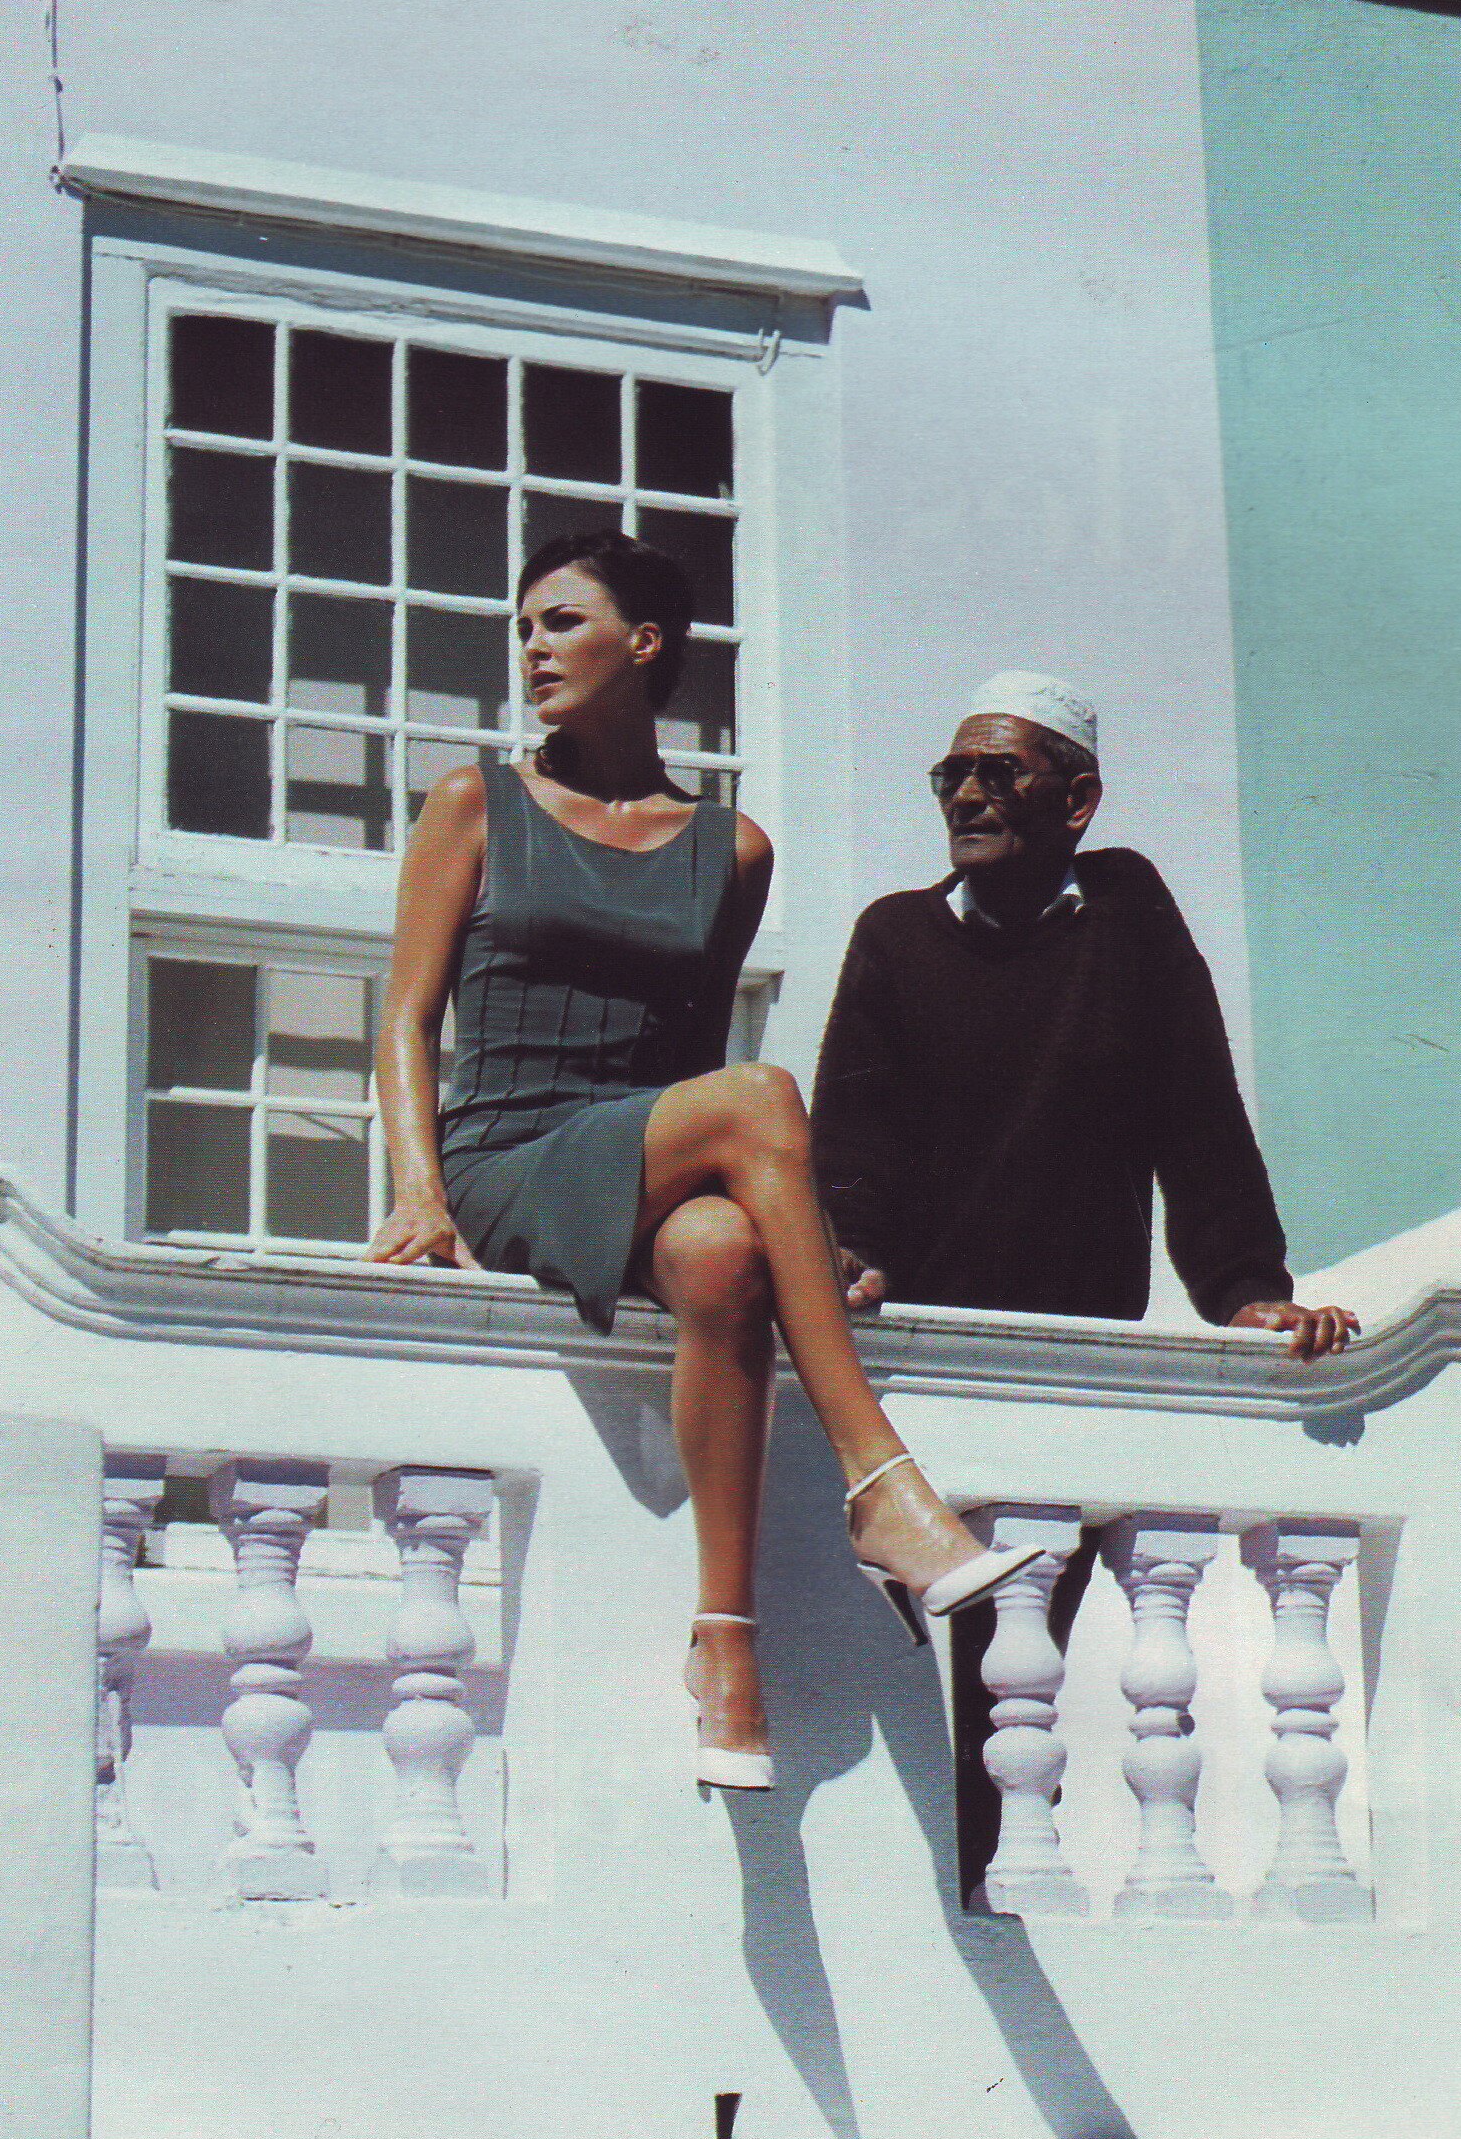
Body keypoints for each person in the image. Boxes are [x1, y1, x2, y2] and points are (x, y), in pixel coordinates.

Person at [366, 533, 1039, 1794]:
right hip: (507, 1152)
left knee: (726, 1252)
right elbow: (406, 1017)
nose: (532, 648)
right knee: (762, 1093)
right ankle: (879, 1484)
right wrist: (418, 1190)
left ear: (644, 644)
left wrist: (802, 1241)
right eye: (524, 627)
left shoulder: (730, 850)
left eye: (561, 622)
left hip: (639, 1152)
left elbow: (685, 1064)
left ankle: (724, 1645)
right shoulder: (475, 802)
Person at [811, 673, 1355, 1359]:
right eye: (951, 777)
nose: (966, 797)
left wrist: (1246, 1290)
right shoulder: (894, 937)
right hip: (918, 1347)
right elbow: (849, 1141)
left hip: (1083, 1353)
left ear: (1077, 801)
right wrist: (851, 1254)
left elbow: (1201, 1123)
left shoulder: (1128, 914)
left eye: (999, 774)